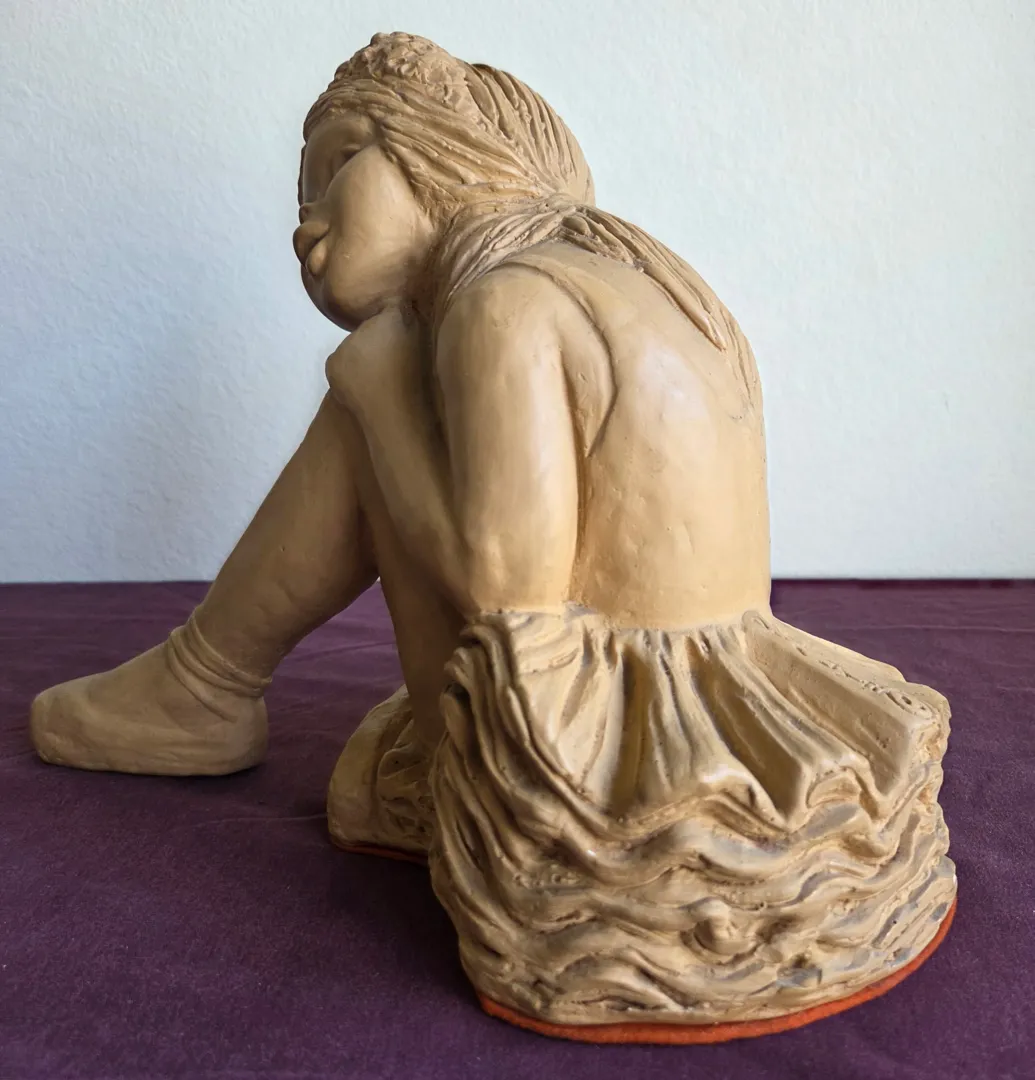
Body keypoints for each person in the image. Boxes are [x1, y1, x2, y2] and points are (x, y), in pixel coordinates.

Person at [30, 34, 955, 1036]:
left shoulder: (502, 304)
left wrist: (380, 394)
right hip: (732, 697)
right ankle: (204, 683)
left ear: (444, 154)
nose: (305, 224)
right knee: (385, 387)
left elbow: (507, 593)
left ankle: (205, 683)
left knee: (374, 394)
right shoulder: (641, 279)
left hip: (607, 752)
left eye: (336, 167)